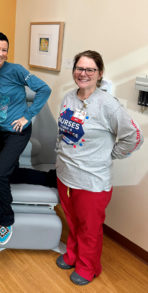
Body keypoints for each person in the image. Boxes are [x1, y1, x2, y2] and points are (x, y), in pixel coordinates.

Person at [55, 50, 144, 285]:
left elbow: (134, 136)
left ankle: (88, 267)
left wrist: (110, 155)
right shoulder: (68, 97)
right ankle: (73, 255)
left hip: (91, 180)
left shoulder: (108, 105)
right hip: (65, 174)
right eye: (79, 68)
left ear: (99, 74)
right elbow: (62, 131)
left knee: (89, 228)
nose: (83, 73)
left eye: (89, 69)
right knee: (72, 220)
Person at [0, 32, 55, 246]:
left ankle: (6, 220)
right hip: (2, 129)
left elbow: (44, 89)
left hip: (19, 131)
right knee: (9, 173)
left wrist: (28, 116)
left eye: (4, 49)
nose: (1, 53)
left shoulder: (15, 70)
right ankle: (51, 179)